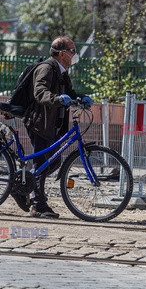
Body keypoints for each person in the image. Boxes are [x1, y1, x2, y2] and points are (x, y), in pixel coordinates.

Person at [13, 36, 93, 218]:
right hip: (39, 121)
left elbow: (69, 93)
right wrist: (56, 99)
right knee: (43, 163)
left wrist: (80, 98)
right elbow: (40, 91)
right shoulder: (47, 68)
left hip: (52, 124)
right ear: (62, 53)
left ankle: (25, 183)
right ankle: (38, 205)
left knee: (55, 161)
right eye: (73, 50)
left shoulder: (62, 72)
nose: (75, 54)